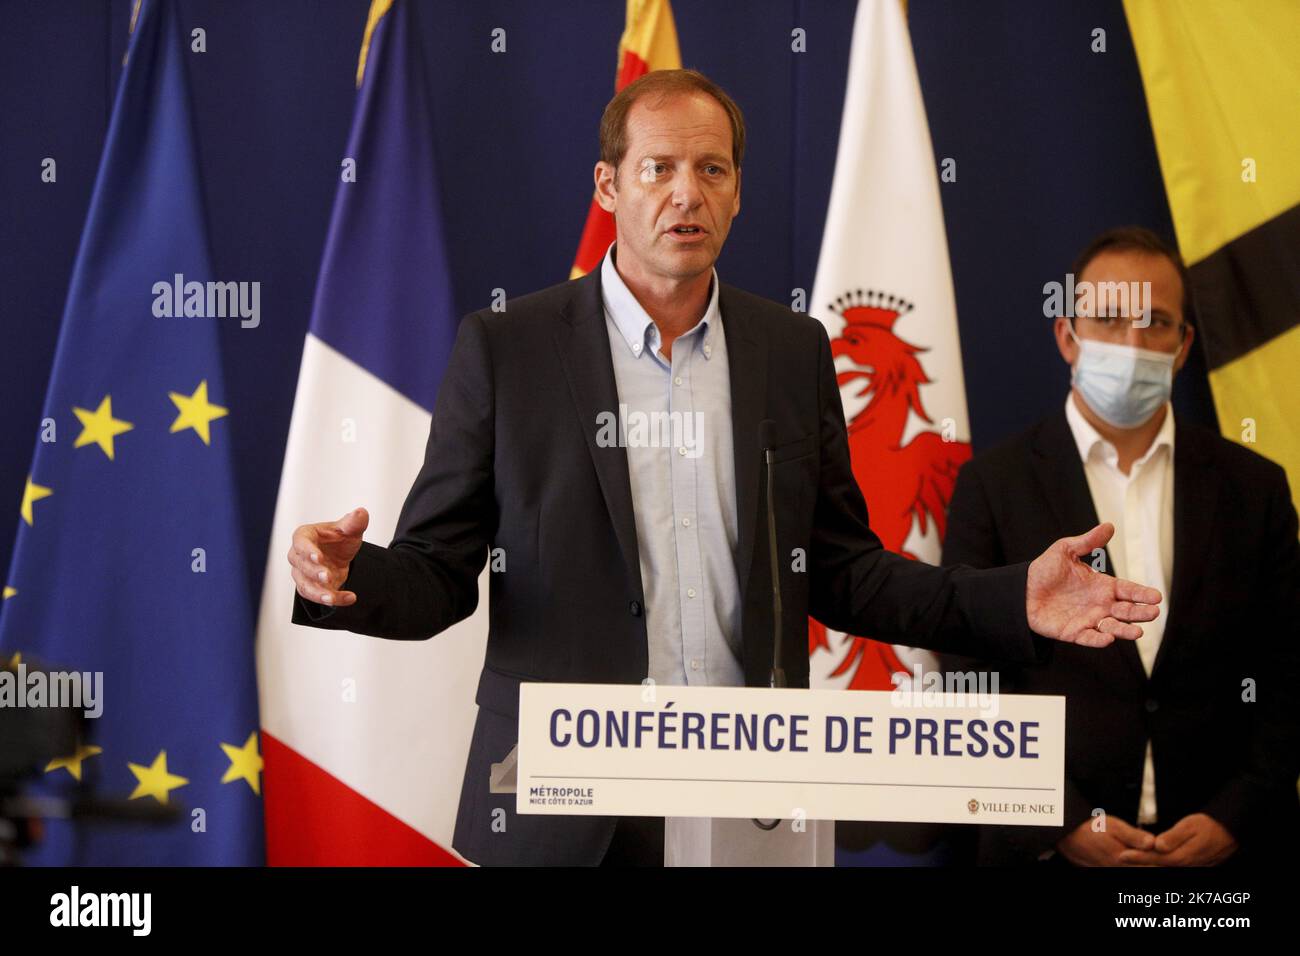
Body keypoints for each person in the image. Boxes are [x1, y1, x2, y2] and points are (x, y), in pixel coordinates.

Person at [285, 70, 1162, 866]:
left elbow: (846, 572)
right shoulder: (508, 349)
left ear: (738, 191)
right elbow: (441, 576)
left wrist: (1015, 599)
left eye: (711, 170)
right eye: (658, 168)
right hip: (559, 808)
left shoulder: (791, 350)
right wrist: (346, 576)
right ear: (609, 186)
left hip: (749, 802)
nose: (684, 194)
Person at [941, 226, 1300, 866]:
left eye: (1155, 321)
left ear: (1184, 345)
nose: (1133, 344)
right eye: (1109, 318)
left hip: (1223, 859)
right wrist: (1061, 821)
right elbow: (966, 677)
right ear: (1066, 336)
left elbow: (1286, 666)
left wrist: (1237, 814)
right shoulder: (993, 485)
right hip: (1045, 853)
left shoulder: (1256, 489)